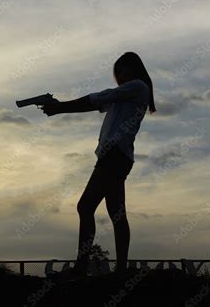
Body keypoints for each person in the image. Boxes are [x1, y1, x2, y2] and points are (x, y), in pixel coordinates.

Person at [42, 52, 156, 279]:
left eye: (120, 71)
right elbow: (95, 104)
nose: (118, 77)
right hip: (116, 156)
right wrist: (60, 108)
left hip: (114, 156)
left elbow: (97, 98)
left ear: (131, 68)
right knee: (116, 214)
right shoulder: (128, 93)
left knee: (86, 207)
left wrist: (60, 107)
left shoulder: (136, 87)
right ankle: (119, 271)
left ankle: (81, 268)